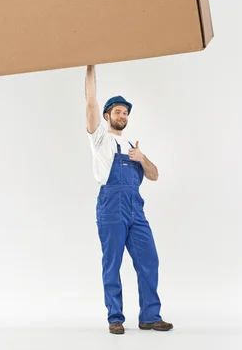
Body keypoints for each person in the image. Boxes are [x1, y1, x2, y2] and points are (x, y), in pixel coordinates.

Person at [85, 64, 173, 335]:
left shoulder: (133, 148)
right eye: (117, 112)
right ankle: (115, 317)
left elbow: (155, 175)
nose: (122, 115)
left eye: (125, 112)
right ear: (107, 116)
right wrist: (90, 66)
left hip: (136, 209)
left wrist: (142, 158)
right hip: (111, 207)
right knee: (112, 263)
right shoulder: (100, 138)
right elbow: (90, 102)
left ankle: (150, 316)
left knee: (150, 259)